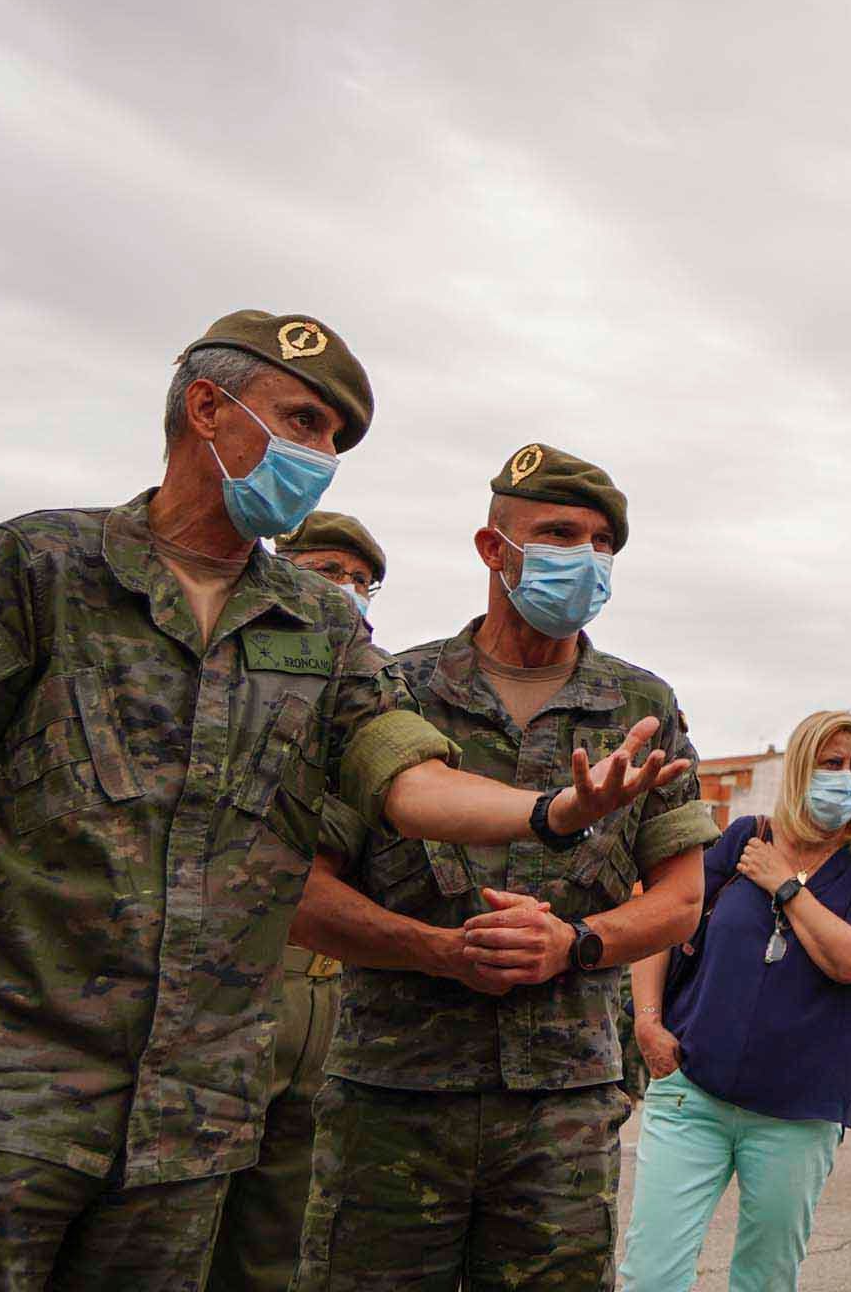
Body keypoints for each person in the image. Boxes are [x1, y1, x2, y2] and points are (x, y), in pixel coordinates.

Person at [0, 313, 689, 1292]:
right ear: (207, 407)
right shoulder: (41, 565)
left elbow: (404, 776)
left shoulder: (315, 622)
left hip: (183, 1130)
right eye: (302, 422)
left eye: (332, 441)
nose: (317, 457)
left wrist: (546, 816)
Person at [300, 443, 714, 1292]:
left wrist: (578, 943)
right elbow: (301, 895)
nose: (587, 558)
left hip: (562, 1105)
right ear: (494, 549)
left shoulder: (643, 708)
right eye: (561, 534)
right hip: (393, 1098)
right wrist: (439, 950)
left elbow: (680, 902)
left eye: (604, 544)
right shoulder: (390, 692)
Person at [621, 709, 851, 1292]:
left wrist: (785, 885)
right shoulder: (746, 837)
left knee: (764, 1280)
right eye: (830, 762)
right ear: (799, 769)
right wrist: (647, 1022)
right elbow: (663, 914)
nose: (846, 776)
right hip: (693, 1093)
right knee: (650, 1275)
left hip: (797, 1117)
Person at [204, 509, 386, 1292]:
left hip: (326, 1006)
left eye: (361, 581)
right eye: (326, 571)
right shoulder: (223, 672)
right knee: (178, 1227)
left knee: (281, 1247)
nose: (345, 591)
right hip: (230, 994)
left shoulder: (375, 698)